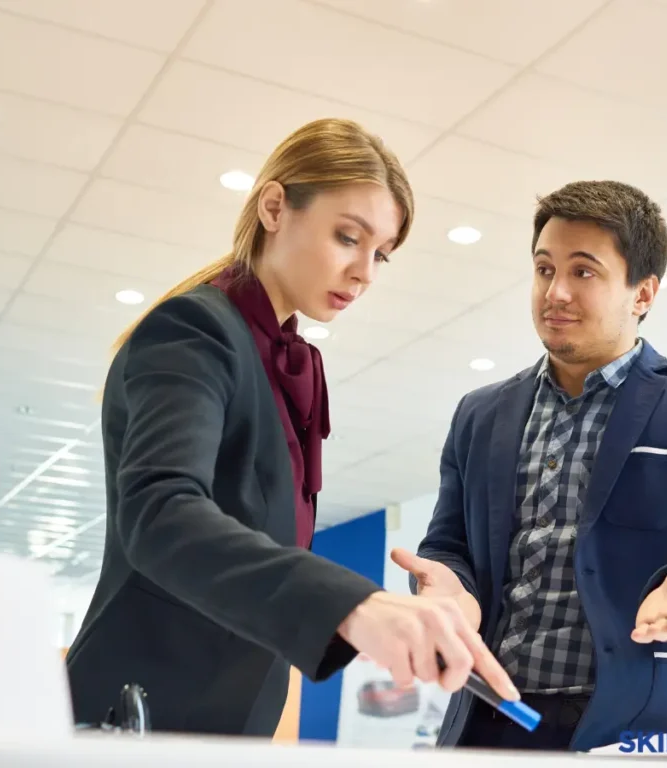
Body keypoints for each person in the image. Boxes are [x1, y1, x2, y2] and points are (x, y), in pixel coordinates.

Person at [64, 118, 517, 738]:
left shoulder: (290, 360)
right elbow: (160, 512)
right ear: (275, 206)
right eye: (347, 237)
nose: (365, 273)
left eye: (380, 254)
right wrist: (353, 604)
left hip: (239, 708)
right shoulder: (193, 330)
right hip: (143, 702)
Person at [394, 180, 667, 752]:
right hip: (486, 723)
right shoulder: (480, 414)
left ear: (642, 293)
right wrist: (450, 589)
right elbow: (449, 547)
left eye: (584, 272)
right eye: (545, 269)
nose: (556, 292)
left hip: (627, 733)